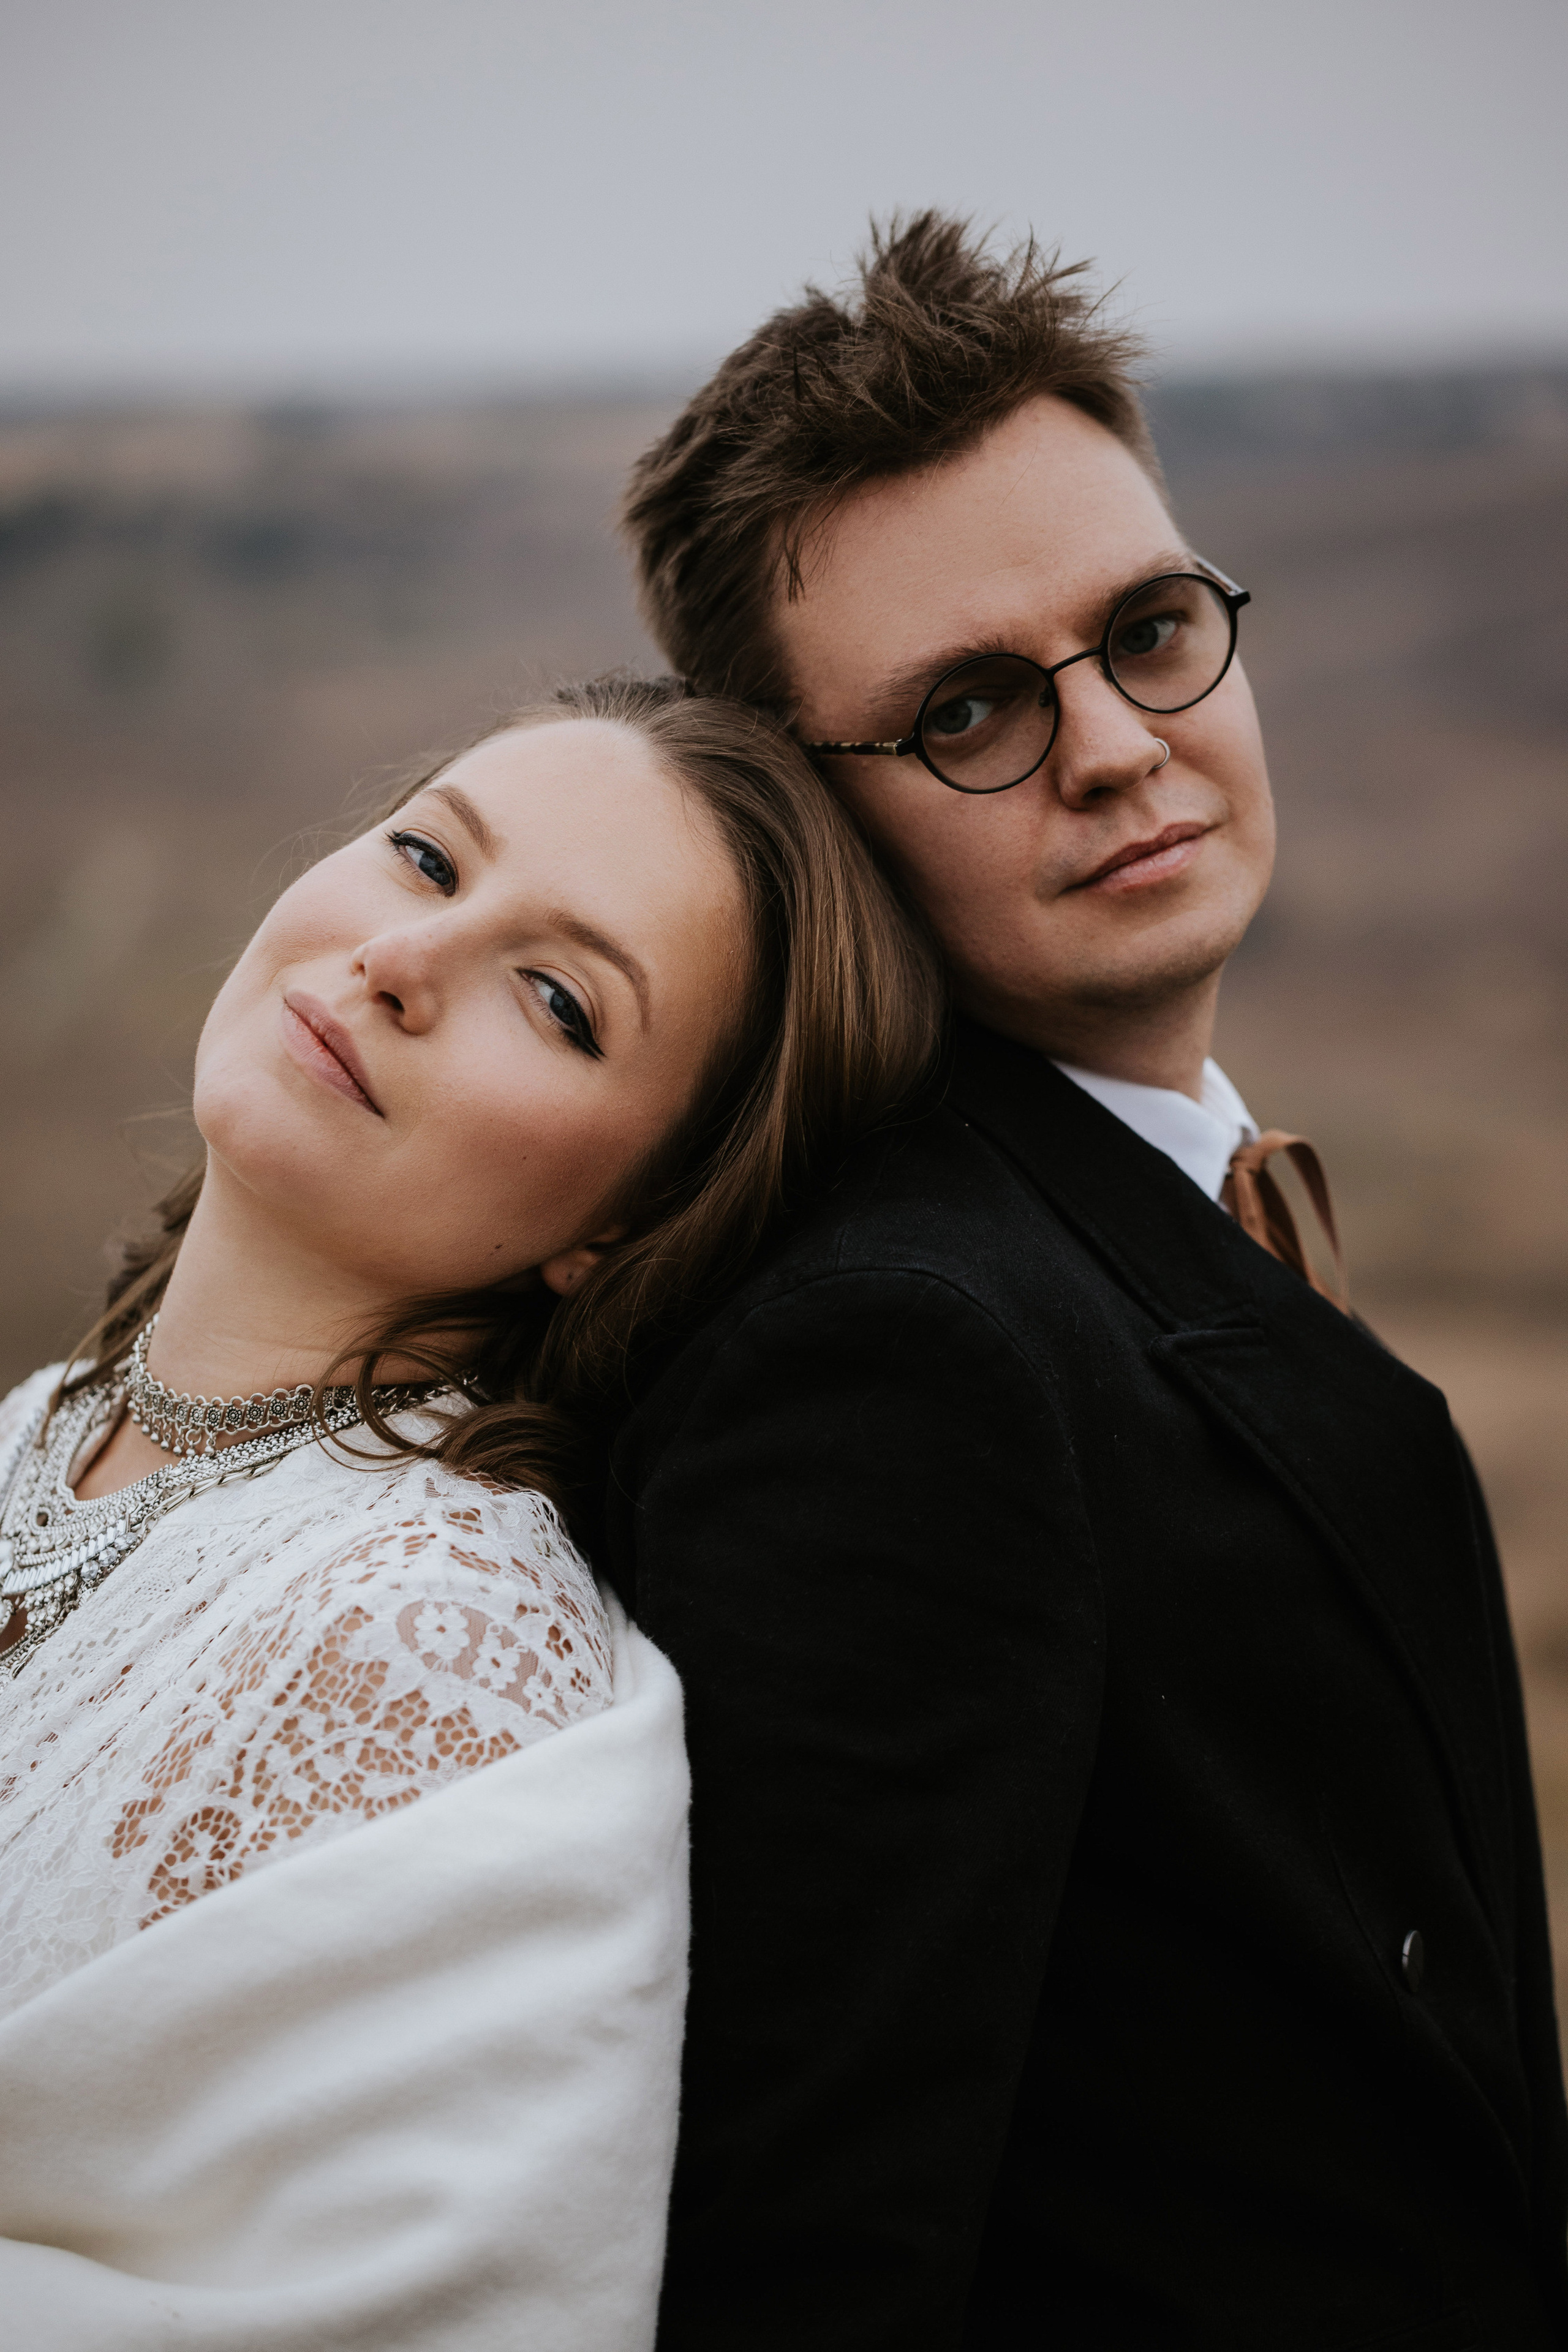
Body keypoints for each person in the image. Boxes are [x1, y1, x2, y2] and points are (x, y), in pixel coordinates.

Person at [608, 216, 1568, 2346]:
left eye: (1148, 629)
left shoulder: (1139, 1191)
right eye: (966, 709)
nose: (1120, 743)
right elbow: (811, 2254)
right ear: (806, 825)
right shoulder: (885, 1357)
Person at [0, 674, 939, 2352]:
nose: (402, 961)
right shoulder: (45, 1428)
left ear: (636, 1215)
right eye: (430, 861)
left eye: (562, 1002)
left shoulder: (444, 1649)